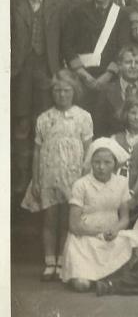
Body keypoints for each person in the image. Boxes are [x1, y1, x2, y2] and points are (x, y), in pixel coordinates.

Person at [61, 138, 138, 296]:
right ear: (91, 162)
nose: (102, 167)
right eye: (97, 162)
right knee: (82, 285)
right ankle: (93, 274)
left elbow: (124, 218)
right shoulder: (81, 184)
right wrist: (98, 232)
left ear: (115, 163)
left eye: (107, 162)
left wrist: (115, 230)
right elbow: (74, 225)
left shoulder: (121, 183)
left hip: (111, 238)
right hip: (84, 240)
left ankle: (111, 279)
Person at [23, 70, 92, 281]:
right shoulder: (44, 118)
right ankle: (49, 262)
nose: (62, 95)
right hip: (49, 174)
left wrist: (85, 176)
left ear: (74, 92)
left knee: (67, 220)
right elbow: (37, 150)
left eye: (66, 90)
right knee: (50, 219)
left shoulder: (83, 116)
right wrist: (36, 178)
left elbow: (88, 149)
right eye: (57, 91)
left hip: (73, 176)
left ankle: (64, 260)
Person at [12, 0, 65, 196]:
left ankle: (41, 176)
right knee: (22, 123)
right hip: (20, 71)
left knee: (44, 123)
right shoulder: (12, 5)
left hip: (47, 70)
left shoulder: (58, 6)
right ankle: (21, 177)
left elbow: (64, 40)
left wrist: (60, 71)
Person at [61, 0, 131, 112]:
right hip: (80, 79)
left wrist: (107, 76)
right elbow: (66, 45)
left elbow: (123, 48)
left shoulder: (122, 15)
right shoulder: (77, 13)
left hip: (109, 80)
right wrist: (84, 76)